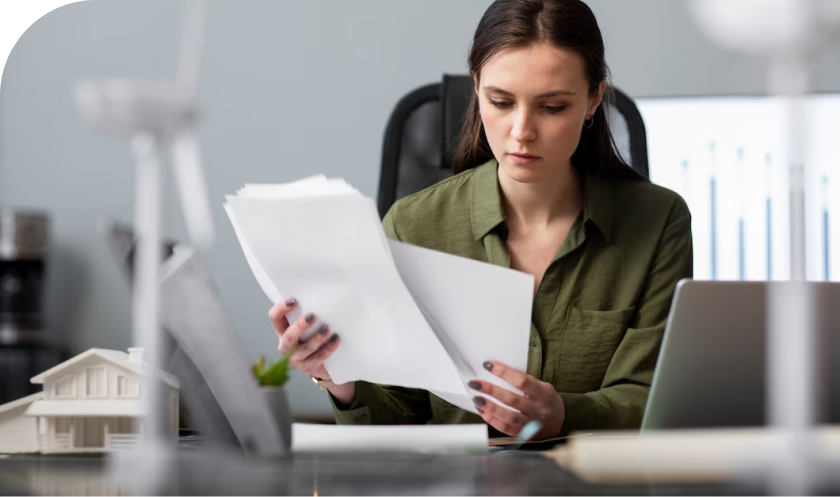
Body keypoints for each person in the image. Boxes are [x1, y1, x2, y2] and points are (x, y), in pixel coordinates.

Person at [268, 0, 692, 439]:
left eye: (552, 107)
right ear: (477, 89)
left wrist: (565, 414)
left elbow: (653, 395)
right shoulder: (412, 226)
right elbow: (397, 414)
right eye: (501, 102)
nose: (521, 131)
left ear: (593, 100)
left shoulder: (660, 221)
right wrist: (337, 375)